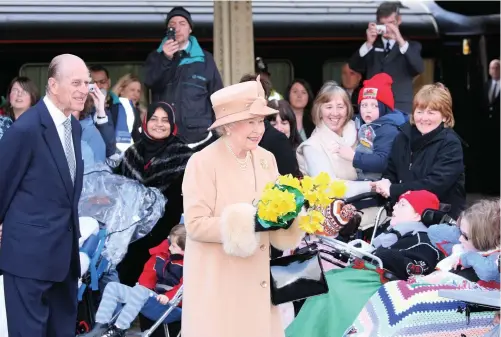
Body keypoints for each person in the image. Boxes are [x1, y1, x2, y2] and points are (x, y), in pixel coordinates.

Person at [181, 77, 305, 337]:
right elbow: (195, 225)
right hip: (219, 286)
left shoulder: (266, 159)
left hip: (257, 283)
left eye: (260, 121)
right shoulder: (202, 162)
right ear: (227, 125)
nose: (258, 129)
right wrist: (250, 222)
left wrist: (291, 218)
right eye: (251, 121)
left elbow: (275, 212)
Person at [0, 54, 87, 337]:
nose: (84, 89)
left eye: (86, 82)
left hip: (64, 261)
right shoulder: (24, 130)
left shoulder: (73, 126)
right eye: (76, 82)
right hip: (27, 260)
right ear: (52, 85)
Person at [285, 190, 442, 337]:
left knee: (322, 284)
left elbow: (415, 270)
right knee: (300, 276)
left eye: (402, 205)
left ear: (417, 215)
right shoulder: (391, 234)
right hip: (357, 273)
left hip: (377, 287)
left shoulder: (425, 242)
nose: (394, 206)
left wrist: (381, 253)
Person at [347, 199, 500, 337]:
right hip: (450, 293)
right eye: (460, 233)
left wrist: (468, 257)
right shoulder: (463, 245)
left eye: (465, 236)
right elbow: (434, 233)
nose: (460, 239)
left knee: (408, 308)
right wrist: (460, 230)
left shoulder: (494, 257)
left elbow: (487, 273)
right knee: (394, 291)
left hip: (476, 306)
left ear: (483, 239)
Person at [116, 102, 193, 287]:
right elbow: (119, 188)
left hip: (167, 237)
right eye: (154, 119)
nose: (159, 124)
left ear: (172, 124)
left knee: (158, 290)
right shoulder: (132, 153)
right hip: (132, 236)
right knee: (128, 285)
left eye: (165, 120)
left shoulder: (185, 156)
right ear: (145, 122)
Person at [371, 83, 466, 219]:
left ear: (445, 117)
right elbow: (391, 171)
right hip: (401, 215)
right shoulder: (402, 137)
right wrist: (383, 186)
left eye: (431, 113)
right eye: (419, 111)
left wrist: (393, 190)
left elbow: (435, 184)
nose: (424, 118)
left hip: (438, 218)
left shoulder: (450, 144)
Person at [81, 224, 186, 337]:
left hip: (171, 305)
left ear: (186, 250)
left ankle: (119, 329)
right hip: (151, 297)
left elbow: (185, 286)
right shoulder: (163, 252)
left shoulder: (190, 264)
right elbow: (149, 273)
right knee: (112, 287)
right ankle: (101, 326)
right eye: (170, 243)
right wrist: (143, 287)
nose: (170, 248)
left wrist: (169, 297)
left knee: (141, 291)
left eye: (174, 246)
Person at [144, 6, 223, 149]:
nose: (177, 28)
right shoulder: (156, 57)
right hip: (164, 138)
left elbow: (217, 95)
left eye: (182, 24)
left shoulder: (205, 59)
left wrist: (219, 131)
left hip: (200, 139)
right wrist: (166, 58)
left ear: (190, 29)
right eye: (172, 25)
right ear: (167, 30)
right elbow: (151, 83)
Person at [349, 1, 423, 115]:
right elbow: (354, 66)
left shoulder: (411, 46)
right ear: (377, 24)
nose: (388, 28)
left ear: (399, 20)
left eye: (391, 23)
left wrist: (399, 39)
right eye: (383, 24)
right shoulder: (371, 46)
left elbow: (419, 68)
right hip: (374, 106)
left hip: (401, 106)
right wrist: (368, 43)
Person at [336, 73, 406, 181]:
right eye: (364, 105)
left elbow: (383, 162)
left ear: (384, 108)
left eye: (374, 105)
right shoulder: (360, 121)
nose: (368, 110)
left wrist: (353, 157)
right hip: (361, 178)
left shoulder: (388, 129)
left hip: (378, 184)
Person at [240, 74, 301, 177]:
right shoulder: (230, 135)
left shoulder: (277, 140)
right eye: (247, 97)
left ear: (266, 101)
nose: (251, 102)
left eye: (257, 97)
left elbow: (291, 185)